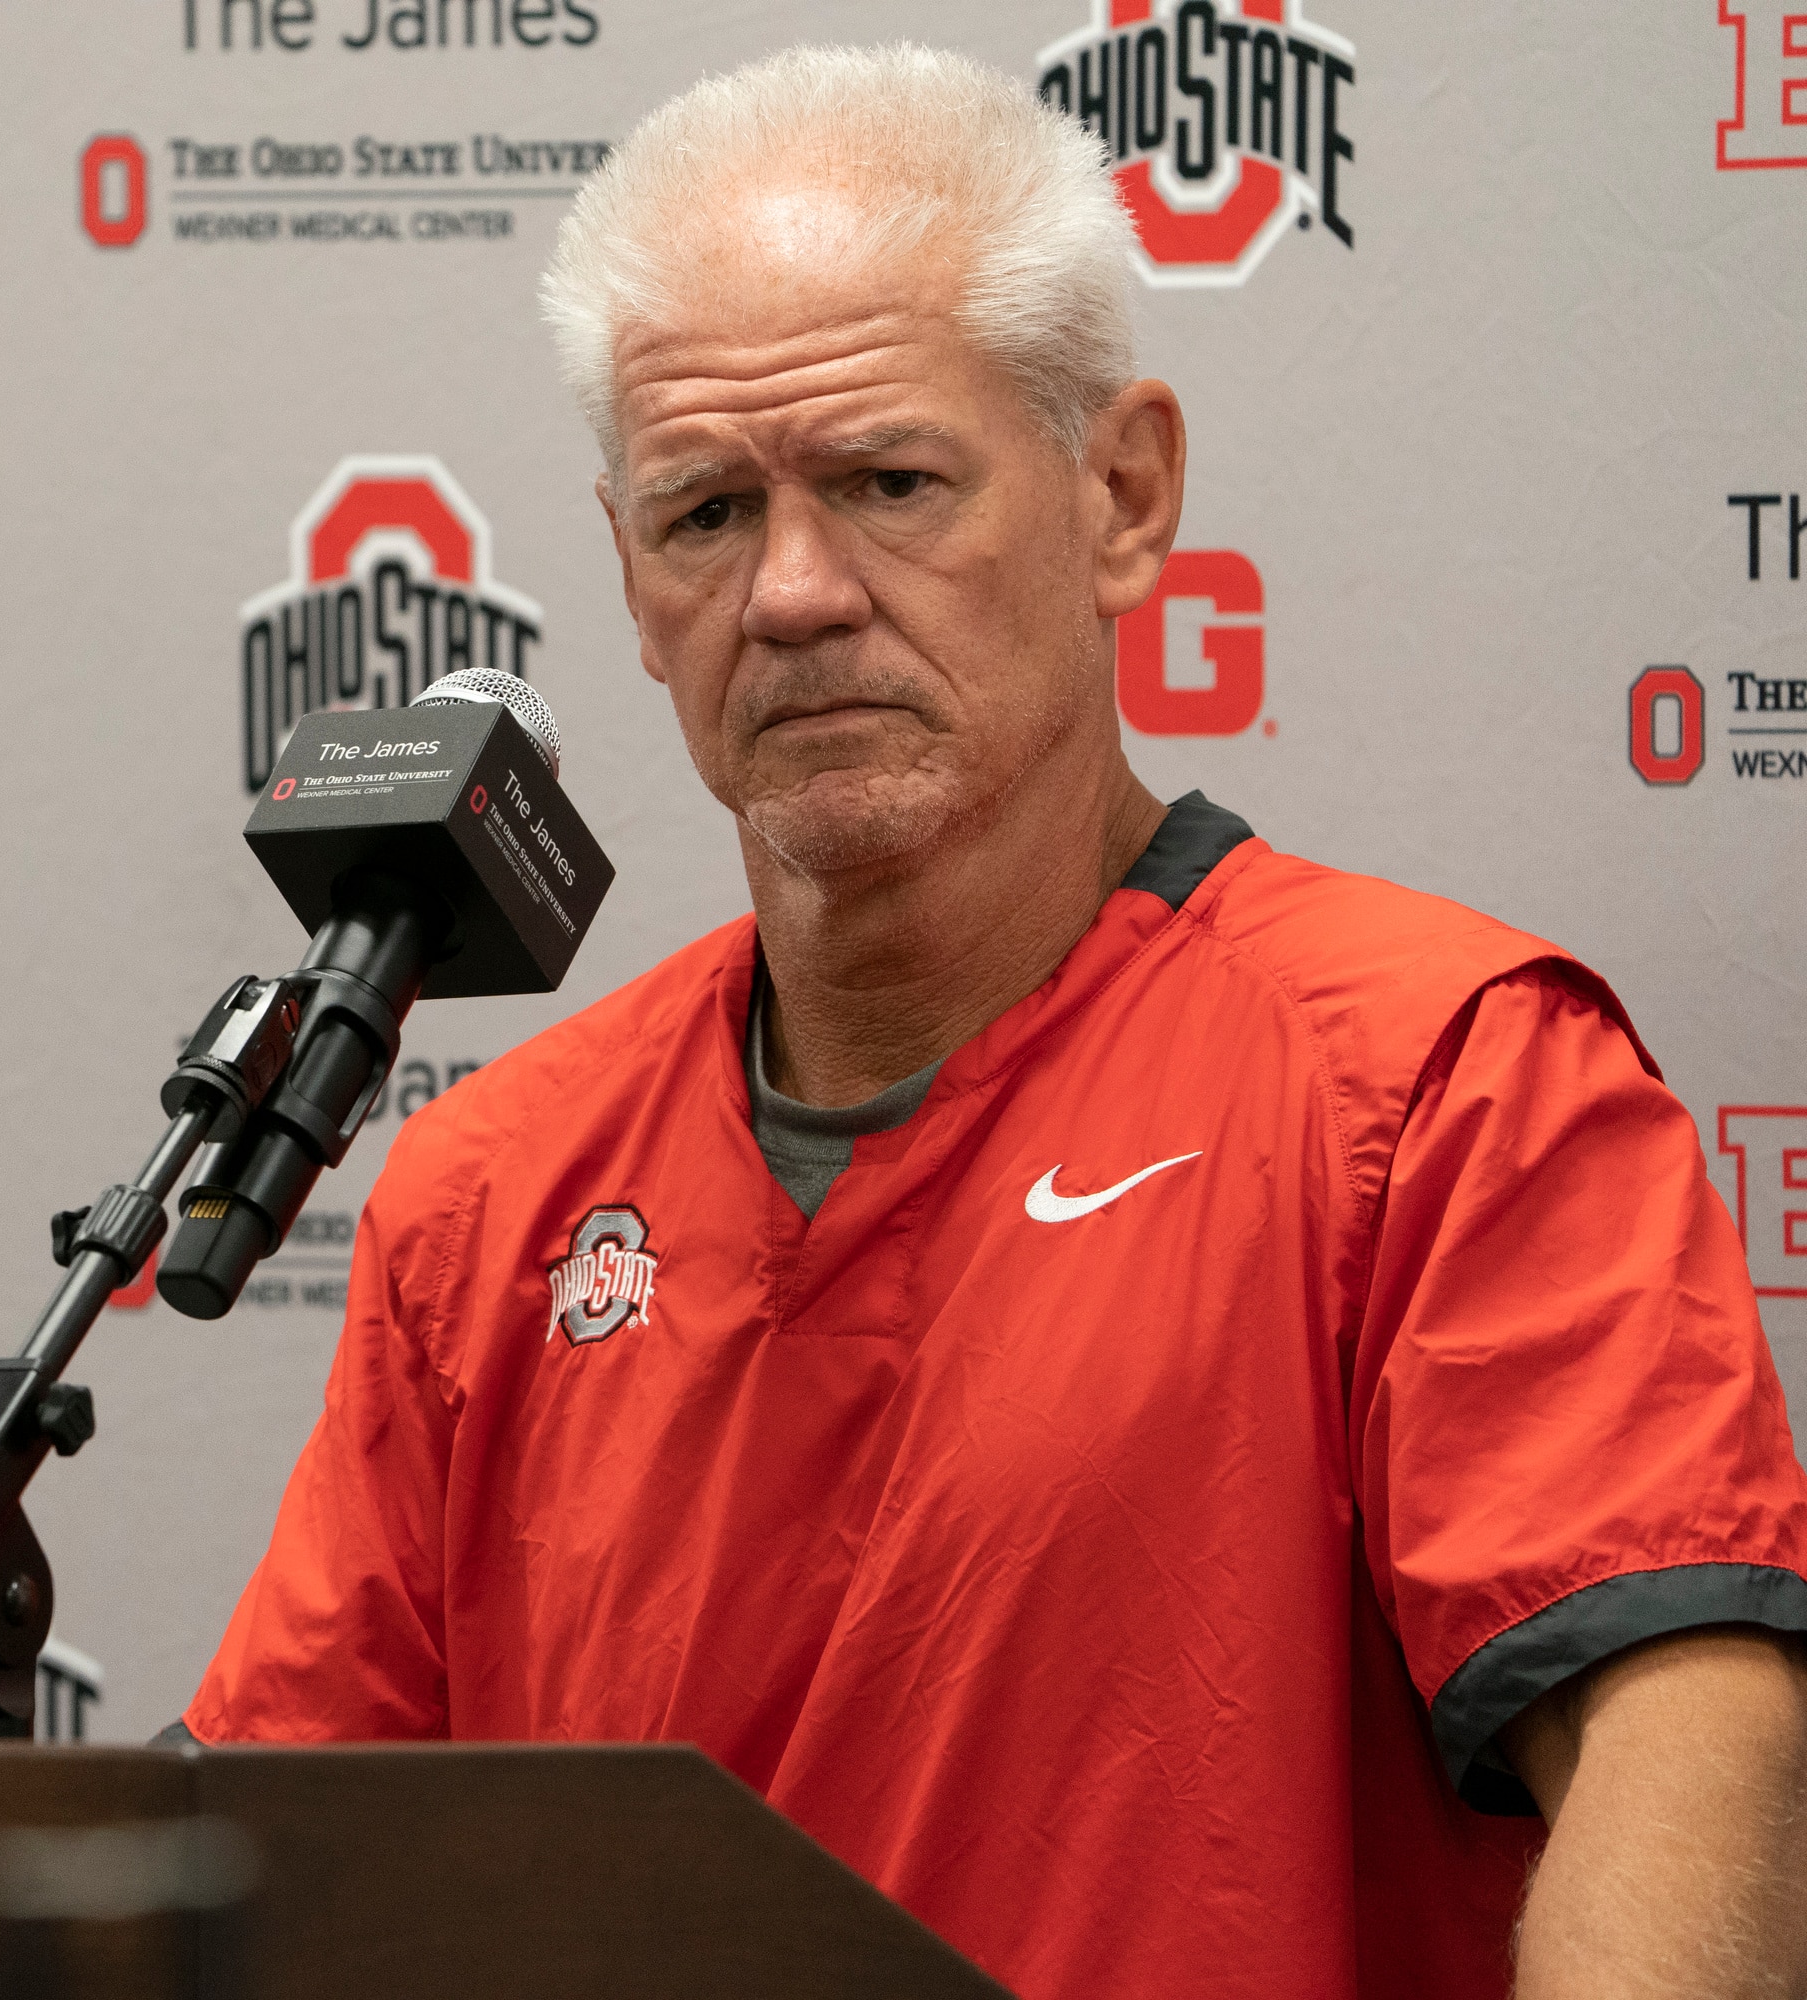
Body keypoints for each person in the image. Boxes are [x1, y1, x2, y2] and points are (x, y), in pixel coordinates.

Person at [175, 42, 1807, 2000]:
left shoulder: (1445, 1077)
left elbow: (1690, 1739)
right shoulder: (486, 1193)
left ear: (1120, 496)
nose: (791, 592)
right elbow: (283, 1870)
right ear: (625, 574)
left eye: (888, 481)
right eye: (705, 513)